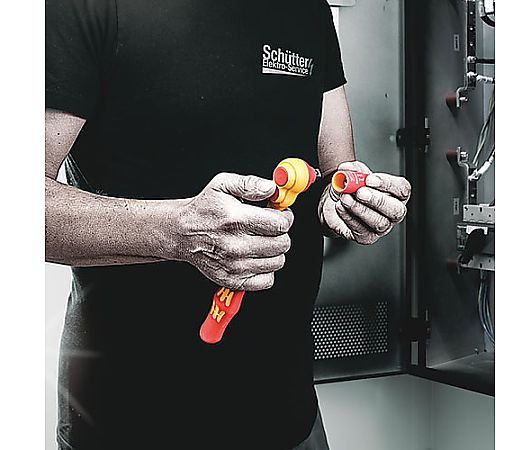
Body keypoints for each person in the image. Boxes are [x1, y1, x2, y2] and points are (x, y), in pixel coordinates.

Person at [45, 0, 411, 449]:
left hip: (287, 413)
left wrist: (345, 202)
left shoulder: (306, 9)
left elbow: (330, 173)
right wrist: (178, 232)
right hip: (127, 418)